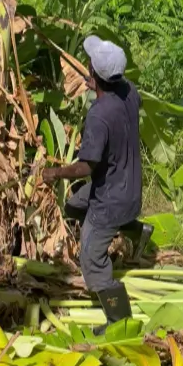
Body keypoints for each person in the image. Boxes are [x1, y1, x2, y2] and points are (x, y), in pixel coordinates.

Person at [42, 36, 150, 334]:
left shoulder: (99, 116)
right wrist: (99, 86)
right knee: (74, 206)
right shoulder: (130, 91)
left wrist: (55, 173)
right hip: (130, 188)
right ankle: (139, 231)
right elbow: (120, 94)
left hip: (110, 199)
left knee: (90, 258)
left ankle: (120, 320)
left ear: (94, 72)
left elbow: (85, 167)